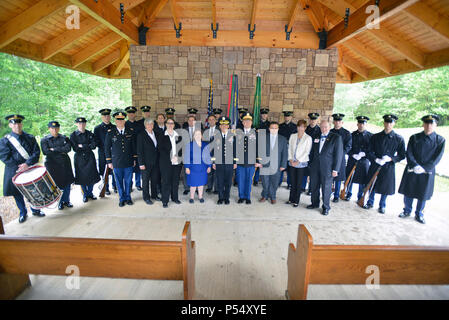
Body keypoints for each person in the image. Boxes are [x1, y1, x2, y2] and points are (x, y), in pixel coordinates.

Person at [398, 115, 445, 224]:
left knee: (423, 193)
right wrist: (415, 165)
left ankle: (419, 214)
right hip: (413, 169)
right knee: (409, 191)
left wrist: (425, 168)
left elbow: (437, 157)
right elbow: (409, 152)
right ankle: (406, 210)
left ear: (435, 125)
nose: (429, 126)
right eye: (426, 123)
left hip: (427, 171)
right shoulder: (414, 137)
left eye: (431, 123)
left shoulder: (440, 140)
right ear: (423, 124)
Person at [0, 114, 45, 223]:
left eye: (19, 123)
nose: (17, 126)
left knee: (33, 189)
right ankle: (23, 212)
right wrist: (19, 167)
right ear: (10, 125)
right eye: (14, 124)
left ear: (22, 124)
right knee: (17, 193)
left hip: (29, 167)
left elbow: (36, 152)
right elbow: (5, 157)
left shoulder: (30, 137)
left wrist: (27, 164)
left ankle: (35, 209)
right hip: (14, 170)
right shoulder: (4, 141)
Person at [363, 114, 406, 214]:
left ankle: (382, 205)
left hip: (388, 166)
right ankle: (370, 202)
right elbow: (369, 151)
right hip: (376, 164)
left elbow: (402, 155)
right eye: (387, 122)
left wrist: (391, 159)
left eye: (391, 122)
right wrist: (375, 159)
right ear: (384, 123)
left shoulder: (399, 139)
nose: (388, 124)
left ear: (394, 123)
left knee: (385, 187)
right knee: (372, 183)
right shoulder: (375, 137)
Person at [307, 120, 343, 215]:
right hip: (315, 166)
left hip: (328, 168)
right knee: (314, 186)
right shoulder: (316, 136)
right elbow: (312, 152)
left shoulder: (336, 138)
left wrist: (336, 169)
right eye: (322, 127)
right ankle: (314, 203)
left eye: (326, 127)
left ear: (329, 127)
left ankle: (326, 207)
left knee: (326, 188)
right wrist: (310, 164)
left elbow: (338, 155)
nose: (324, 129)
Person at [105, 111, 137, 207]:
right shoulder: (110, 133)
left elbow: (133, 146)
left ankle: (128, 198)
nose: (120, 121)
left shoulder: (130, 131)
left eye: (122, 119)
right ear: (115, 121)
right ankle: (121, 198)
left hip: (128, 161)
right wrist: (109, 162)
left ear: (124, 120)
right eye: (118, 120)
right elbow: (106, 148)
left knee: (128, 181)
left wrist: (134, 159)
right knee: (118, 182)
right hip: (116, 162)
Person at [41, 121, 74, 210]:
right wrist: (60, 150)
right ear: (49, 129)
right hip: (53, 165)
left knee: (67, 183)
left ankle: (67, 201)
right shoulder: (44, 140)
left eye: (56, 128)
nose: (54, 130)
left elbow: (68, 148)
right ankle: (60, 202)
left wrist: (54, 149)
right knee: (57, 184)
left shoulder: (64, 138)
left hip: (65, 163)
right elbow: (45, 151)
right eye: (52, 128)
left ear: (59, 128)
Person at [70, 117, 100, 203]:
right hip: (79, 158)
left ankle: (90, 193)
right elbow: (75, 148)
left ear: (85, 124)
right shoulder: (73, 135)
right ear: (76, 124)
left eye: (83, 123)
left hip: (90, 157)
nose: (81, 125)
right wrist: (87, 145)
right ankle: (85, 194)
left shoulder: (90, 134)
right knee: (81, 177)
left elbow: (94, 145)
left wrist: (82, 146)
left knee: (92, 176)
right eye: (79, 123)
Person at [258, 121, 288, 204]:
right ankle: (264, 195)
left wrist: (283, 165)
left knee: (274, 182)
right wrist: (259, 162)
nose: (274, 130)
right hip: (265, 164)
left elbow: (285, 153)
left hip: (277, 165)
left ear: (278, 129)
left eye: (275, 128)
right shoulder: (263, 138)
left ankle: (273, 196)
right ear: (269, 129)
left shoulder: (283, 139)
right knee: (265, 181)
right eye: (272, 128)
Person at [344, 116, 372, 202]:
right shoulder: (351, 135)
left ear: (366, 124)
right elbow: (348, 147)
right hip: (353, 159)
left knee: (362, 180)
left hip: (364, 161)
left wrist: (365, 153)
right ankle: (348, 193)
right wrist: (352, 154)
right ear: (357, 124)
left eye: (363, 123)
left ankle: (360, 196)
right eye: (360, 123)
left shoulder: (371, 136)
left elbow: (372, 149)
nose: (361, 125)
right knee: (350, 177)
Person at [287, 120, 313, 207]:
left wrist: (298, 161)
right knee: (292, 182)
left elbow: (307, 152)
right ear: (297, 127)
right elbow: (289, 148)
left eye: (302, 127)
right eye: (299, 126)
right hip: (292, 163)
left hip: (301, 164)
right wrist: (290, 159)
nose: (300, 128)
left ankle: (296, 201)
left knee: (298, 183)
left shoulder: (308, 138)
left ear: (305, 128)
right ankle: (291, 199)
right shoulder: (292, 136)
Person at [158, 118, 183, 208]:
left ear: (174, 125)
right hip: (166, 163)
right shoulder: (161, 135)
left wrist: (178, 157)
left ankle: (175, 198)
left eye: (172, 123)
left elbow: (181, 149)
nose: (170, 125)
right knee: (166, 182)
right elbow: (160, 149)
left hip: (177, 163)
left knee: (175, 181)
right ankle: (165, 200)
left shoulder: (178, 136)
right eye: (168, 123)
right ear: (165, 124)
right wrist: (171, 157)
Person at [212, 116, 237, 205]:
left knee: (228, 181)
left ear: (228, 126)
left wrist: (235, 162)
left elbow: (235, 150)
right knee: (220, 181)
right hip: (219, 163)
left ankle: (226, 197)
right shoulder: (215, 136)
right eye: (222, 125)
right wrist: (213, 162)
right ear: (219, 126)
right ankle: (220, 198)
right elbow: (213, 151)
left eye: (225, 125)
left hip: (230, 163)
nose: (223, 127)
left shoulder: (233, 136)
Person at [136, 118, 160, 205]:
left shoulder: (156, 134)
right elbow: (139, 150)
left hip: (155, 162)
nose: (150, 126)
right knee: (145, 181)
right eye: (148, 124)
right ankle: (146, 197)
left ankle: (154, 195)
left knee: (154, 180)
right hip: (145, 163)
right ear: (145, 125)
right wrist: (141, 163)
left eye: (152, 124)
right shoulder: (141, 135)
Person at [236, 112, 258, 204]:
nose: (247, 123)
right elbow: (234, 148)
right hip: (240, 162)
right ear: (243, 122)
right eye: (245, 121)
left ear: (251, 123)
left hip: (251, 162)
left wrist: (257, 161)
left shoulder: (256, 134)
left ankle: (248, 197)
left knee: (249, 180)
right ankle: (241, 196)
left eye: (249, 121)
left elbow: (258, 148)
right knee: (240, 180)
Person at [184, 130, 212, 203]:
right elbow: (186, 157)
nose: (198, 136)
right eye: (196, 134)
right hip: (192, 168)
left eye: (199, 134)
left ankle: (200, 197)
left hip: (203, 168)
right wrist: (187, 167)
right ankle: (192, 197)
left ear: (201, 136)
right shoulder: (189, 145)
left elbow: (208, 157)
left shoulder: (205, 145)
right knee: (193, 184)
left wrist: (209, 166)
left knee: (201, 183)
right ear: (193, 136)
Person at [330, 113, 352, 203]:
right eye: (335, 121)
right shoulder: (330, 132)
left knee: (338, 178)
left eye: (339, 121)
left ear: (342, 122)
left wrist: (339, 154)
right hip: (330, 158)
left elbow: (348, 146)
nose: (337, 122)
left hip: (340, 159)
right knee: (329, 177)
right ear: (333, 122)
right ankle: (328, 193)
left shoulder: (347, 133)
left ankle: (336, 196)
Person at [93, 108, 116, 194]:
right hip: (103, 153)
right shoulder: (97, 128)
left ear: (110, 117)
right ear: (102, 117)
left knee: (114, 169)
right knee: (104, 170)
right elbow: (96, 141)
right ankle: (105, 187)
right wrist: (105, 147)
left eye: (108, 115)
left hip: (113, 153)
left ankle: (115, 185)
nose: (106, 117)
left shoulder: (114, 127)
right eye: (104, 116)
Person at [301, 112, 321, 194]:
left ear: (317, 120)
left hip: (315, 155)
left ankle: (310, 189)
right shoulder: (305, 129)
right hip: (305, 153)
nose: (312, 121)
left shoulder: (320, 130)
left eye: (314, 120)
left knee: (313, 173)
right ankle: (302, 187)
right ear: (309, 120)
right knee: (304, 172)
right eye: (311, 119)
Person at [125, 106, 142, 192]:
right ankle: (130, 185)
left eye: (133, 113)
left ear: (135, 114)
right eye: (129, 113)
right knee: (129, 169)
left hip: (138, 148)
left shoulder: (139, 124)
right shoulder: (124, 124)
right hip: (128, 150)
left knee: (138, 168)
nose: (131, 114)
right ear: (127, 114)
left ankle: (138, 184)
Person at [278, 111, 297, 189]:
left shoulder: (295, 127)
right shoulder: (280, 126)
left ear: (291, 117)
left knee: (290, 168)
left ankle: (289, 183)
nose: (287, 118)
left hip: (291, 149)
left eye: (288, 116)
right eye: (285, 116)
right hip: (282, 148)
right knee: (281, 165)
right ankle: (278, 182)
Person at [253, 107, 270, 187]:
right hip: (256, 145)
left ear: (267, 115)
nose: (264, 115)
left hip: (265, 146)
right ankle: (255, 180)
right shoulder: (256, 123)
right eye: (263, 114)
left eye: (265, 114)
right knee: (257, 162)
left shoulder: (269, 124)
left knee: (264, 164)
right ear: (260, 115)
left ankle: (264, 181)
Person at [205, 114, 219, 194]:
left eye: (213, 119)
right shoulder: (205, 130)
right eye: (209, 120)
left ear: (216, 120)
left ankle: (216, 188)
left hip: (217, 154)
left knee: (216, 172)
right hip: (208, 154)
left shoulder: (219, 130)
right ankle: (209, 187)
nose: (211, 121)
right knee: (209, 171)